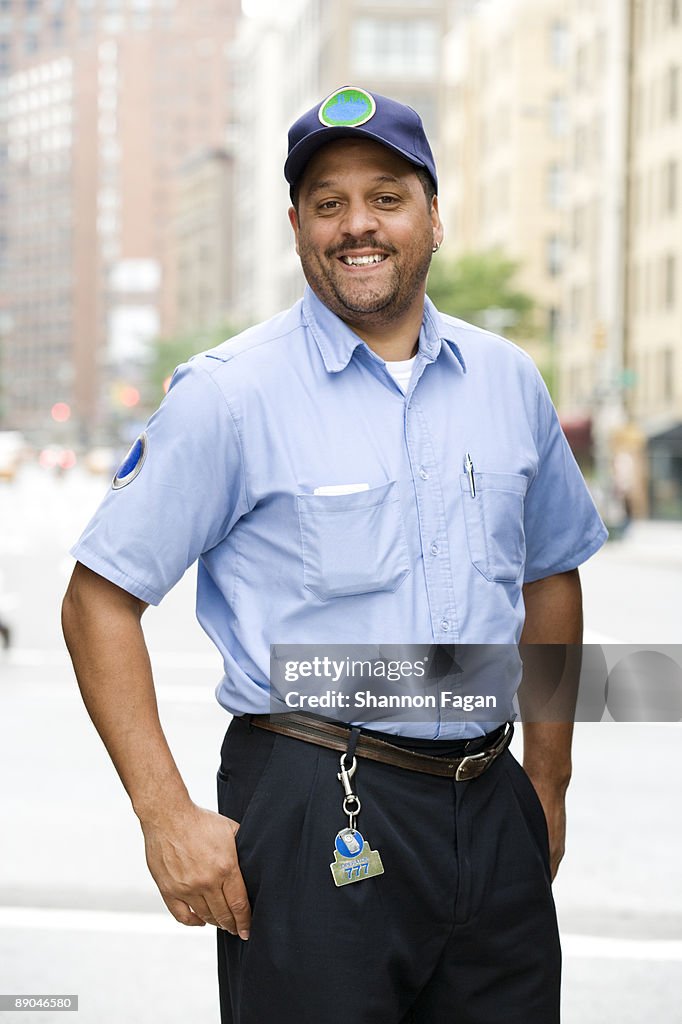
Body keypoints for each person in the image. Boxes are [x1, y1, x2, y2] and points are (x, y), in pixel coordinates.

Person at [62, 86, 608, 1024]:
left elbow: (550, 575)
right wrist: (167, 817)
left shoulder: (510, 381)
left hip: (491, 802)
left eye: (387, 197)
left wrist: (546, 783)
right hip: (319, 800)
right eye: (328, 202)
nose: (359, 224)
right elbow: (97, 602)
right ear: (298, 225)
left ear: (434, 216)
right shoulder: (228, 396)